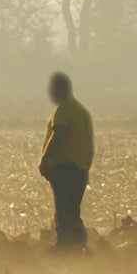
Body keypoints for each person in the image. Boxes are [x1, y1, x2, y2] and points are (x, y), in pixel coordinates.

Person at [39, 71, 93, 250]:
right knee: (71, 213)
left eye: (52, 88)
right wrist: (85, 170)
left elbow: (58, 134)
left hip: (65, 170)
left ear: (60, 89)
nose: (50, 93)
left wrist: (44, 160)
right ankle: (72, 248)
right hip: (79, 171)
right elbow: (90, 146)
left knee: (65, 215)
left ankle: (71, 250)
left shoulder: (63, 109)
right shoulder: (82, 112)